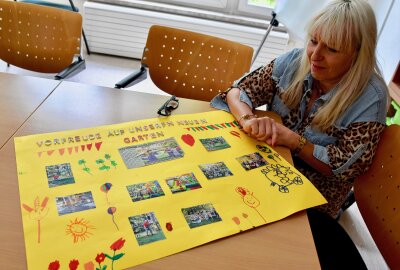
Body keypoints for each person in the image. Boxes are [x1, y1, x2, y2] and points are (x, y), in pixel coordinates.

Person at [211, 0, 388, 219]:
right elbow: (238, 92)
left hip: (312, 201)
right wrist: (248, 119)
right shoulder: (295, 60)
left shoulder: (372, 98)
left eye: (332, 49)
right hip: (261, 169)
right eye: (314, 41)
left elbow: (345, 168)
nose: (315, 55)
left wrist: (294, 141)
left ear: (358, 54)